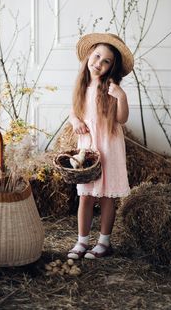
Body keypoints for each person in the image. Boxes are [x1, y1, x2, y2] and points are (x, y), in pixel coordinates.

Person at [68, 33, 134, 259]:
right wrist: (75, 121)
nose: (99, 63)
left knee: (107, 196)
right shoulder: (82, 84)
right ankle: (82, 241)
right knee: (85, 195)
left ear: (112, 67)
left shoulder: (111, 88)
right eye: (97, 56)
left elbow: (122, 118)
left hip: (109, 146)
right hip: (88, 147)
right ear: (89, 55)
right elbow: (73, 110)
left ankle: (104, 242)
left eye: (106, 61)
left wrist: (121, 97)